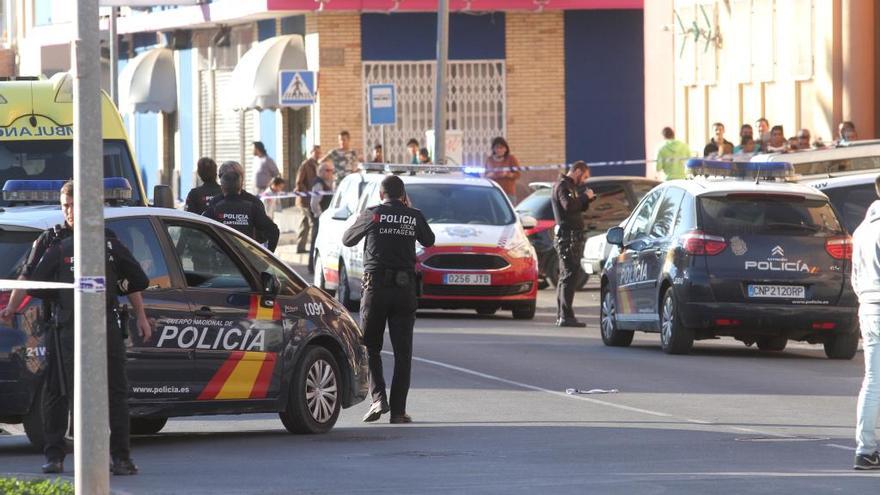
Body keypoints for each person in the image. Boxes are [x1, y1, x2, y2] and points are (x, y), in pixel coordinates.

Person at [20, 181, 151, 475]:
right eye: (65, 206)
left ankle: (120, 458)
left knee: (114, 393)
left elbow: (137, 280)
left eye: (73, 205)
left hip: (100, 327)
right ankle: (55, 456)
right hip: (65, 327)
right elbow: (36, 283)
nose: (69, 211)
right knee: (58, 391)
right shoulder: (56, 242)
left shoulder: (105, 242)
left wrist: (134, 306)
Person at [342, 175, 435, 424]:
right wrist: (408, 211)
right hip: (404, 291)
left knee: (370, 347)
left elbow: (347, 239)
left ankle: (378, 398)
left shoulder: (373, 214)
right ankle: (398, 411)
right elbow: (429, 240)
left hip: (376, 289)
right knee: (403, 353)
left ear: (381, 195)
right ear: (403, 195)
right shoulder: (413, 215)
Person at [850, 174, 880, 470]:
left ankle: (866, 449)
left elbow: (855, 277)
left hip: (869, 307)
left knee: (873, 381)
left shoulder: (862, 229)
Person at [550, 161, 595, 328]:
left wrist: (586, 200)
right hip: (568, 238)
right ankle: (565, 316)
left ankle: (563, 314)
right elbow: (568, 206)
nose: (584, 180)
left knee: (566, 276)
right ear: (576, 171)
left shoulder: (569, 186)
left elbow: (575, 208)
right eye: (584, 176)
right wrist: (584, 197)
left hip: (571, 237)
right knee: (569, 275)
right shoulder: (563, 186)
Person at [204, 168, 280, 252]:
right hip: (244, 260)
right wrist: (268, 254)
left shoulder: (215, 208)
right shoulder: (252, 208)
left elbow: (201, 231)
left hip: (221, 259)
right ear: (241, 186)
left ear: (222, 187)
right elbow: (274, 231)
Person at [308, 162, 335, 273]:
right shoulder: (319, 183)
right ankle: (312, 266)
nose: (330, 173)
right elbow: (314, 203)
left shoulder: (327, 182)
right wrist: (319, 216)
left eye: (331, 170)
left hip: (325, 218)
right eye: (327, 170)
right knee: (316, 241)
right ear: (321, 171)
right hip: (320, 218)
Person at [295, 146, 321, 254]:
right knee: (312, 222)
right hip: (305, 200)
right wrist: (307, 193)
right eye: (315, 152)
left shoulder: (318, 165)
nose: (317, 154)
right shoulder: (306, 165)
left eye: (319, 153)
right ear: (311, 153)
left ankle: (301, 247)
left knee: (304, 223)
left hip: (313, 199)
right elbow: (299, 182)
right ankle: (310, 247)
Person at [484, 137, 521, 203]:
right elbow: (485, 175)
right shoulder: (489, 160)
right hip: (493, 192)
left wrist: (507, 174)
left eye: (501, 148)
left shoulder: (511, 159)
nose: (499, 150)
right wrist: (490, 175)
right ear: (493, 149)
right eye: (497, 148)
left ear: (506, 149)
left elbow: (517, 175)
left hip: (508, 193)